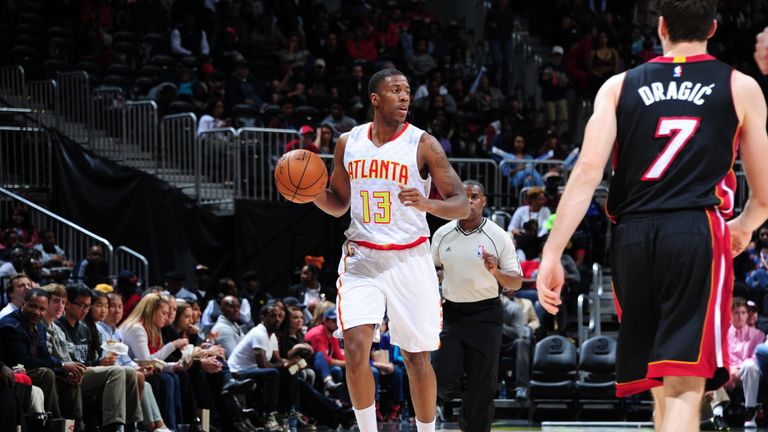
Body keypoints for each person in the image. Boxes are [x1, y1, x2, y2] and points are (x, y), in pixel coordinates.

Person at [536, 2, 768, 431]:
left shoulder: (618, 86)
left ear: (660, 27)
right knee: (684, 383)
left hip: (632, 236)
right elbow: (764, 196)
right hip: (694, 229)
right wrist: (744, 226)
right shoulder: (740, 86)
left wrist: (552, 251)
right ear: (713, 28)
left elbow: (587, 172)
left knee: (660, 380)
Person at [312, 67, 470, 432]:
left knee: (416, 358)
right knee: (354, 349)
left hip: (409, 259)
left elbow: (462, 203)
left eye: (407, 91)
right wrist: (310, 195)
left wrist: (428, 205)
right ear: (375, 98)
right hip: (362, 257)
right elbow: (338, 203)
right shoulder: (347, 142)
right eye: (396, 90)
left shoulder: (423, 143)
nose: (404, 97)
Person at [431, 180, 522, 432]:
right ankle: (468, 391)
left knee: (483, 389)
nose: (469, 201)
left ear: (483, 201)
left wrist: (496, 272)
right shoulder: (442, 234)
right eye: (465, 196)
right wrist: (436, 275)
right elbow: (431, 267)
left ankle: (473, 413)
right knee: (442, 377)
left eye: (474, 196)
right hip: (452, 315)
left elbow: (516, 280)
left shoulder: (498, 236)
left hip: (486, 315)